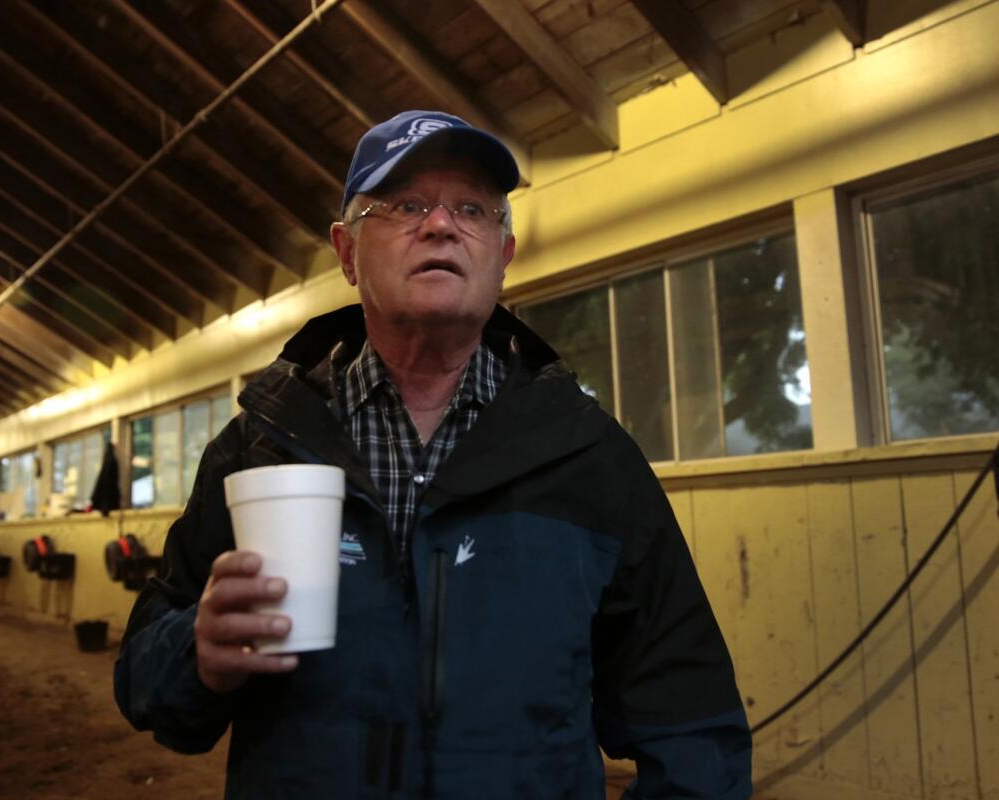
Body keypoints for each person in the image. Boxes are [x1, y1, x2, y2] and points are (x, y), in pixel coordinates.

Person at [115, 110, 752, 798]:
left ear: (501, 258)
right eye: (406, 205)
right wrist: (195, 655)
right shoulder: (260, 448)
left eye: (472, 209)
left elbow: (691, 719)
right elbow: (146, 682)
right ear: (347, 253)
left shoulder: (588, 454)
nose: (441, 225)